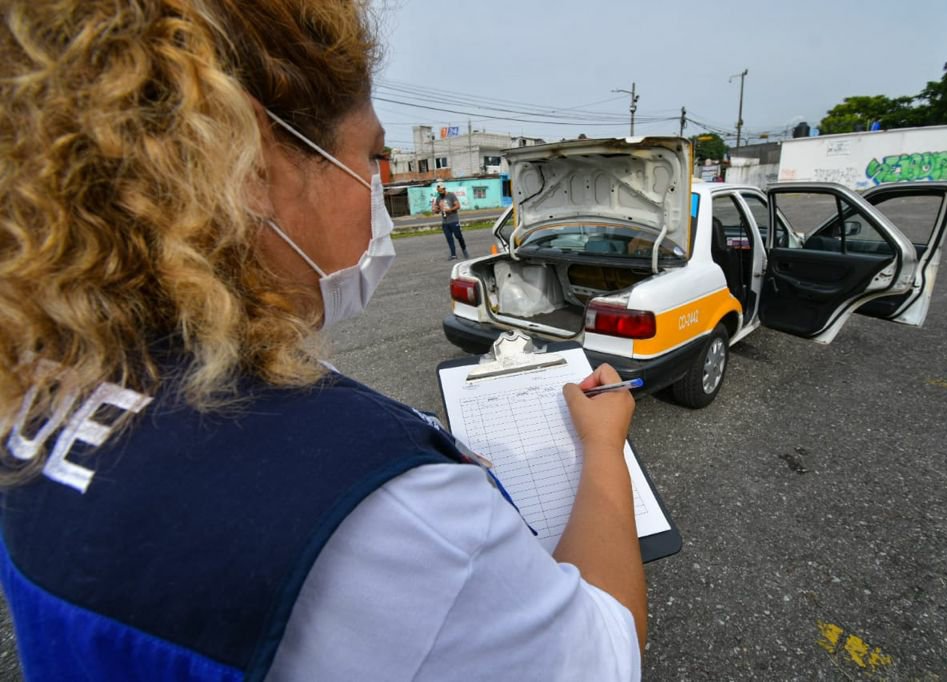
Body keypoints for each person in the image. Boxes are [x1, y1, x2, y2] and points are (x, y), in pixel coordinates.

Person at [0, 2, 646, 681]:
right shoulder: (381, 510)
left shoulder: (42, 391)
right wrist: (602, 447)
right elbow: (607, 653)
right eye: (372, 156)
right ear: (252, 162)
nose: (378, 188)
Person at [432, 182, 469, 260]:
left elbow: (458, 206)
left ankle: (464, 250)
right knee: (449, 238)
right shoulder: (438, 198)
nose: (440, 193)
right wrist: (435, 210)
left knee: (458, 236)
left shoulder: (451, 195)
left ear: (444, 189)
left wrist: (450, 210)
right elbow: (437, 210)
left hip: (454, 220)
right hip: (445, 222)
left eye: (441, 191)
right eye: (438, 191)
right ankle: (453, 254)